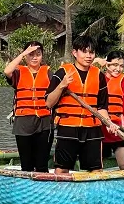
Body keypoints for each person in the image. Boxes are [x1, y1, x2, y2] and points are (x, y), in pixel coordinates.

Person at [45, 35, 118, 174]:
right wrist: (61, 86)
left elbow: (102, 107)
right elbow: (49, 103)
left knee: (96, 169)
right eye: (84, 51)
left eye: (91, 52)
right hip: (68, 127)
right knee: (61, 168)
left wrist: (109, 123)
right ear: (75, 53)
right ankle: (62, 194)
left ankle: (93, 194)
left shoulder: (99, 75)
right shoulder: (63, 73)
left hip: (92, 129)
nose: (88, 56)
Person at [3, 41, 53, 172]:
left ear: (42, 56)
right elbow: (7, 70)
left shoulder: (48, 73)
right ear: (25, 56)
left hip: (44, 121)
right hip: (23, 121)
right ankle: (27, 189)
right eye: (31, 54)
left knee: (42, 163)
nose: (35, 57)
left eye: (38, 54)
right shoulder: (19, 72)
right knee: (27, 164)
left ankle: (42, 188)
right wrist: (23, 53)